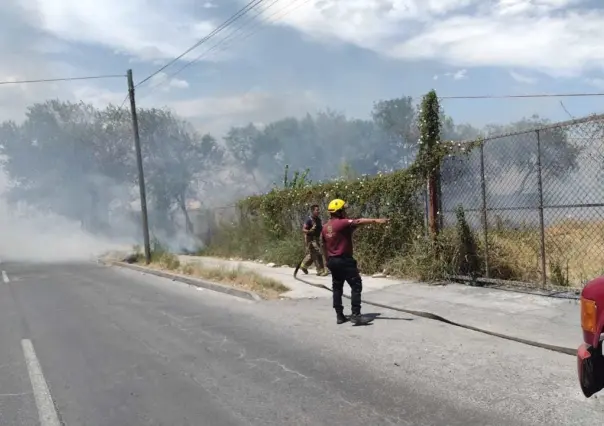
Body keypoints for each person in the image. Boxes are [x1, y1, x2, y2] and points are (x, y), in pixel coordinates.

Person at [321, 198, 389, 326]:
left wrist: (327, 261)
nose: (346, 212)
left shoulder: (325, 227)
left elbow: (324, 246)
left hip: (332, 261)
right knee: (356, 285)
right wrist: (376, 220)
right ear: (339, 211)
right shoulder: (343, 223)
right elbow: (358, 221)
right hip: (344, 260)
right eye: (344, 210)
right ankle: (356, 315)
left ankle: (339, 316)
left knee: (337, 287)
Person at [297, 204, 328, 276]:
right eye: (317, 210)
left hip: (317, 239)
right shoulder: (309, 220)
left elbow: (321, 229)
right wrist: (309, 231)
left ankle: (303, 265)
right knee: (317, 253)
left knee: (312, 254)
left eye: (318, 210)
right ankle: (320, 270)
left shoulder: (318, 220)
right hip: (310, 239)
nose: (318, 211)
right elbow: (304, 230)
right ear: (312, 211)